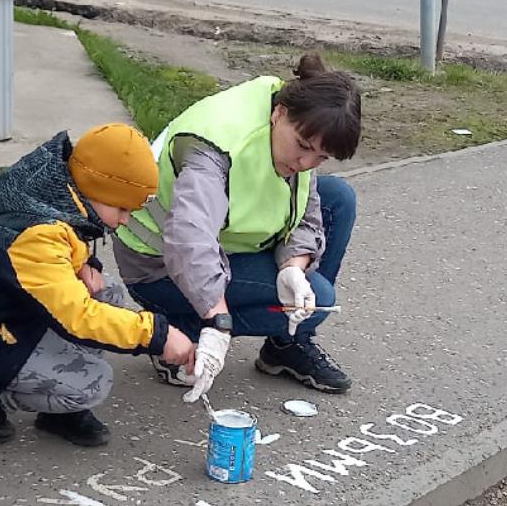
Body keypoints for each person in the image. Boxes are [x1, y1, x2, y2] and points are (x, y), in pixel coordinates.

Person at [113, 53, 361, 401]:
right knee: (321, 299)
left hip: (222, 244)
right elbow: (190, 240)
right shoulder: (215, 146)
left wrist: (294, 268)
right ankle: (179, 333)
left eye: (320, 157)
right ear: (279, 114)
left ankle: (286, 345)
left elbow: (307, 210)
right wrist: (218, 321)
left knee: (339, 198)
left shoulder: (300, 118)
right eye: (303, 148)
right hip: (158, 267)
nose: (306, 163)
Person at [0, 124, 196, 447]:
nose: (124, 220)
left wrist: (84, 264)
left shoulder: (54, 200)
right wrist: (157, 335)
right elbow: (76, 316)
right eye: (121, 209)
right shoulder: (36, 235)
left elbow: (64, 247)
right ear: (95, 190)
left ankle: (53, 406)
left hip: (11, 317)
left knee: (108, 295)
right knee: (92, 382)